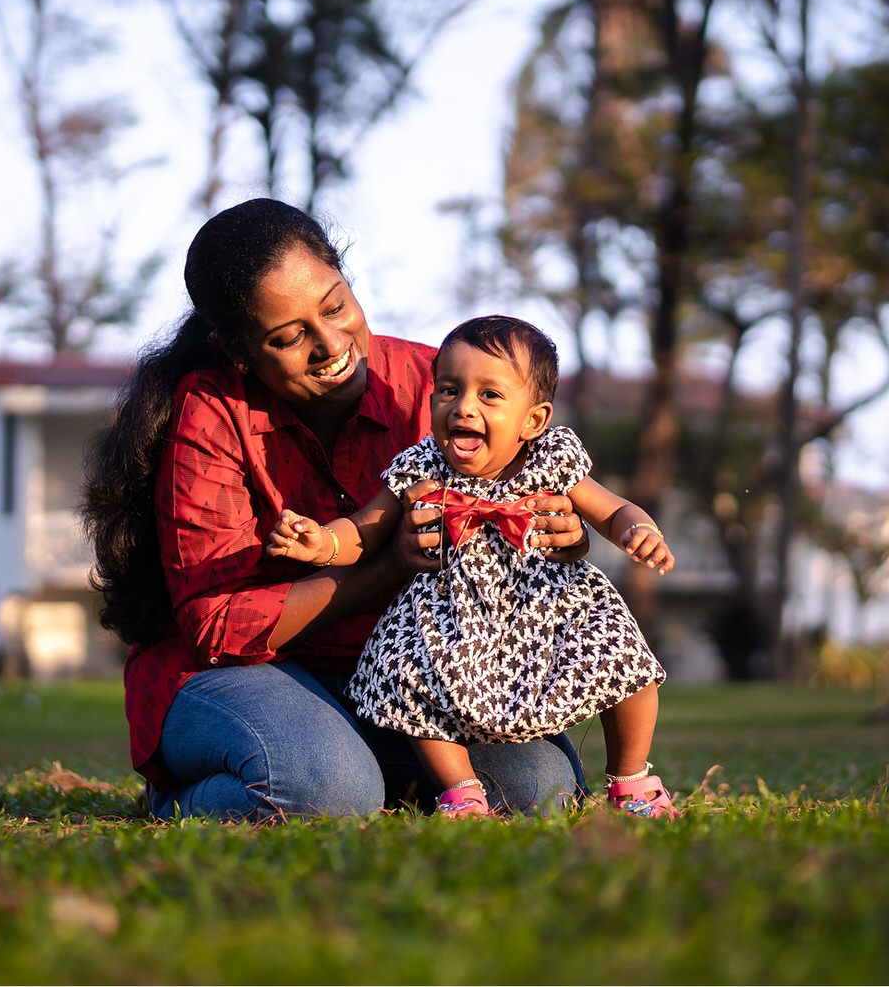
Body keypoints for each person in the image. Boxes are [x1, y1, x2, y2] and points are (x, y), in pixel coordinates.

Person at [81, 199, 592, 821]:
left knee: (544, 787)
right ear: (238, 350)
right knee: (326, 789)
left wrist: (557, 539)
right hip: (236, 674)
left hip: (396, 674)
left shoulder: (438, 386)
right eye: (288, 337)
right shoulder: (211, 412)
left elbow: (524, 500)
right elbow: (217, 628)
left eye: (334, 306)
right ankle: (182, 800)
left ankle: (375, 777)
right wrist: (385, 567)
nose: (329, 345)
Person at [266, 315, 680, 818]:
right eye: (448, 390)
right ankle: (460, 790)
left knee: (627, 665)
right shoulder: (421, 466)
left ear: (533, 419)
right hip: (450, 615)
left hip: (548, 608)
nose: (463, 407)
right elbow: (364, 529)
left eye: (489, 395)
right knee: (411, 678)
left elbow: (612, 508)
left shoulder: (550, 459)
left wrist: (639, 530)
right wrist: (323, 542)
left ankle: (631, 779)